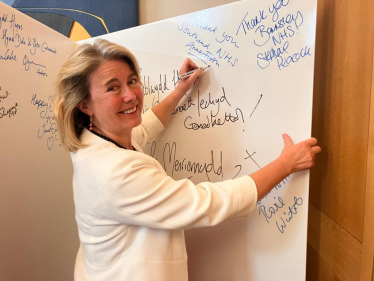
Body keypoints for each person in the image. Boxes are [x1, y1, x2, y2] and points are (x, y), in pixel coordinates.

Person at [54, 39, 321, 281]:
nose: (130, 95)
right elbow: (206, 203)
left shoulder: (93, 138)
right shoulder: (114, 173)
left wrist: (181, 89)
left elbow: (142, 128)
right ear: (85, 105)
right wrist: (286, 164)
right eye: (113, 88)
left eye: (132, 80)